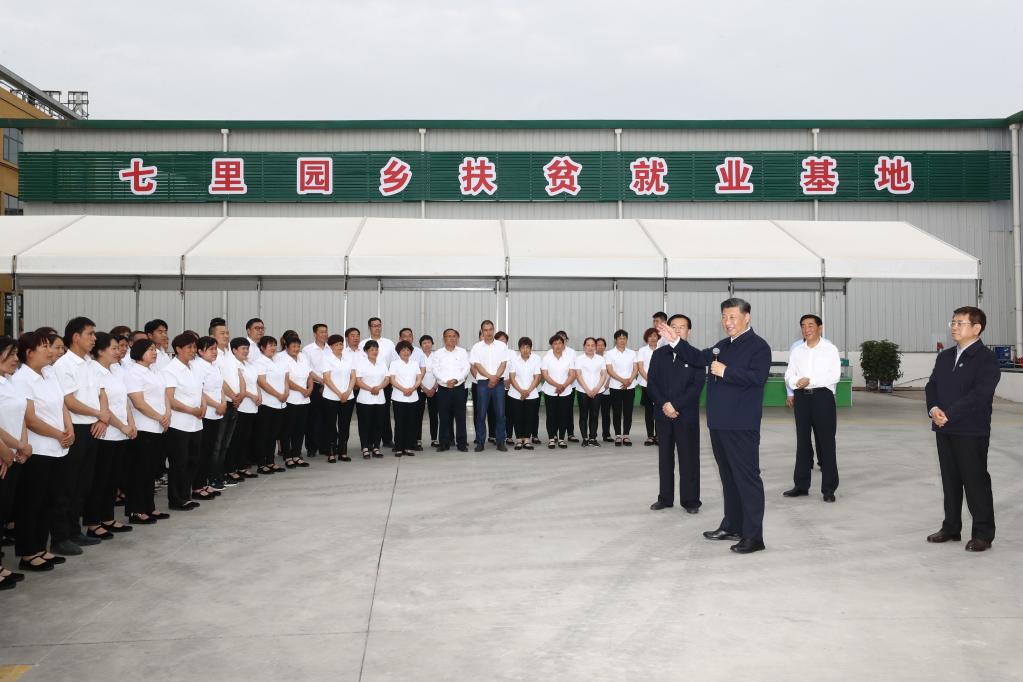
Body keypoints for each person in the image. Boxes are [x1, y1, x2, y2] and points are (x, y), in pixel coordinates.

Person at [661, 297, 771, 555]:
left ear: (747, 318)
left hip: (741, 425)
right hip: (720, 424)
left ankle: (754, 536)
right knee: (729, 478)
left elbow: (758, 378)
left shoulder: (759, 347)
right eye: (724, 317)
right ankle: (732, 524)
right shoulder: (723, 345)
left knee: (747, 480)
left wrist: (726, 371)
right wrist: (675, 341)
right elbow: (698, 357)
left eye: (732, 317)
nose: (727, 322)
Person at [924, 306, 1001, 552]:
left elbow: (980, 395)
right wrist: (934, 409)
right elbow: (932, 385)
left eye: (960, 323)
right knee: (950, 480)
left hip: (971, 430)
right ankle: (951, 527)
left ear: (977, 328)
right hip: (944, 428)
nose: (954, 327)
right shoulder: (945, 356)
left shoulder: (986, 359)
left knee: (975, 481)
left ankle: (983, 533)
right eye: (953, 323)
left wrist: (950, 414)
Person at [13, 331, 74, 571]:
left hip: (59, 448)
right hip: (38, 450)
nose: (51, 351)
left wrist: (69, 429)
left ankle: (41, 548)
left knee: (51, 500)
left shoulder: (49, 374)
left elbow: (62, 405)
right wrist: (59, 434)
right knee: (31, 503)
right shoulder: (22, 379)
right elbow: (29, 418)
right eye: (45, 347)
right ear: (29, 353)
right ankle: (28, 553)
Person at [51, 317, 106, 553]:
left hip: (93, 427)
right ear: (75, 337)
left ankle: (75, 531)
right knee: (67, 485)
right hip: (75, 428)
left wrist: (102, 415)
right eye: (90, 334)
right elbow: (69, 401)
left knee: (83, 484)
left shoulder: (91, 364)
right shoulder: (64, 365)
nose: (94, 338)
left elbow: (102, 392)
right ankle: (60, 537)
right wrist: (99, 414)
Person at [647, 315, 704, 513]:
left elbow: (696, 387)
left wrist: (675, 405)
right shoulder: (658, 354)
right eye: (674, 327)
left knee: (689, 458)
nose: (678, 330)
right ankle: (665, 498)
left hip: (686, 415)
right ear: (667, 329)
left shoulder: (696, 355)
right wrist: (664, 404)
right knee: (665, 458)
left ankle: (690, 501)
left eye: (682, 327)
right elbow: (652, 383)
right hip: (663, 415)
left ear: (689, 331)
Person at [783, 314, 842, 502]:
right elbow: (789, 374)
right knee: (802, 441)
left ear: (820, 328)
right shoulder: (797, 351)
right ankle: (801, 485)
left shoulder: (830, 349)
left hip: (822, 397)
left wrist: (811, 380)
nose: (806, 329)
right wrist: (795, 382)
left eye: (810, 325)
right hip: (802, 398)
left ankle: (829, 489)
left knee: (826, 442)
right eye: (803, 326)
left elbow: (835, 376)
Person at [84, 332, 136, 539]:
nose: (119, 352)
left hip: (121, 433)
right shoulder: (94, 371)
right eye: (114, 348)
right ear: (100, 351)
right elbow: (102, 405)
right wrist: (122, 426)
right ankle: (93, 521)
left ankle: (107, 518)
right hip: (106, 433)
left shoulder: (116, 370)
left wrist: (130, 424)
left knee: (113, 479)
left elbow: (124, 401)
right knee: (100, 480)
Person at [124, 339, 170, 525]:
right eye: (150, 349)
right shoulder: (133, 373)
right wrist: (160, 417)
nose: (155, 352)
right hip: (143, 427)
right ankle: (136, 510)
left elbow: (165, 395)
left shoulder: (154, 372)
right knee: (139, 471)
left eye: (155, 349)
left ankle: (149, 507)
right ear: (138, 352)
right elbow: (138, 403)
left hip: (158, 427)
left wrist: (166, 415)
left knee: (151, 470)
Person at [0, 337, 30, 587]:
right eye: (10, 354)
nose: (15, 359)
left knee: (4, 510)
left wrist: (21, 445)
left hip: (13, 454)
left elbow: (20, 415)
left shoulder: (9, 382)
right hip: (3, 455)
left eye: (16, 354)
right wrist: (6, 451)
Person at [164, 334, 206, 510]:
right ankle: (176, 499)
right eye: (188, 347)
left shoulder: (194, 367)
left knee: (193, 460)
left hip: (196, 423)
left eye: (194, 347)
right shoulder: (170, 369)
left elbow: (200, 390)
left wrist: (202, 407)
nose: (193, 350)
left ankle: (186, 495)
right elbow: (170, 399)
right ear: (178, 349)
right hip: (179, 424)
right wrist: (192, 410)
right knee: (178, 463)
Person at [192, 336, 227, 498]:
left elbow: (220, 386)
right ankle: (197, 486)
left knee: (210, 450)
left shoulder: (214, 366)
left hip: (217, 413)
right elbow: (201, 391)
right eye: (210, 349)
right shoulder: (197, 366)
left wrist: (223, 402)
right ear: (200, 351)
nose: (215, 352)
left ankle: (204, 482)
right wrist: (217, 405)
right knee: (202, 451)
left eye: (215, 348)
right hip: (206, 413)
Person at [208, 319, 239, 490]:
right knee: (217, 444)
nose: (226, 336)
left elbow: (235, 376)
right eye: (222, 333)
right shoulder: (214, 355)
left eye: (227, 333)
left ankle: (222, 473)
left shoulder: (228, 353)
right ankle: (213, 477)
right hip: (222, 403)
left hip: (233, 402)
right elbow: (220, 381)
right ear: (212, 335)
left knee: (226, 443)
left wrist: (236, 396)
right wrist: (233, 396)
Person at [470, 320, 508, 452]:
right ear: (482, 331)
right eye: (485, 330)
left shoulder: (502, 346)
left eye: (490, 329)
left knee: (500, 413)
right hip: (483, 383)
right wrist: (490, 377)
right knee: (481, 414)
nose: (488, 332)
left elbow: (503, 364)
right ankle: (480, 442)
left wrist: (495, 377)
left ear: (494, 330)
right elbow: (477, 365)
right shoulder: (476, 347)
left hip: (498, 383)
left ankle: (500, 442)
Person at [226, 338, 261, 481]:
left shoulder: (249, 364)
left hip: (252, 407)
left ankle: (242, 466)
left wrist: (258, 395)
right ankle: (231, 468)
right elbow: (240, 387)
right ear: (234, 350)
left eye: (247, 349)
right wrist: (252, 395)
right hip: (241, 406)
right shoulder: (232, 365)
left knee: (246, 439)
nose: (246, 351)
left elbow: (255, 382)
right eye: (243, 348)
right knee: (236, 439)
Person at [429, 329, 470, 453]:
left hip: (459, 388)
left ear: (457, 338)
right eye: (448, 336)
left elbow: (466, 368)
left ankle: (462, 443)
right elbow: (435, 370)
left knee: (461, 417)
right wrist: (446, 381)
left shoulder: (462, 352)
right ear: (444, 338)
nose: (451, 338)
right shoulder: (438, 353)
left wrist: (456, 380)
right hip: (443, 388)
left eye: (454, 336)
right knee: (444, 416)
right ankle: (444, 443)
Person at [253, 335, 288, 475]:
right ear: (262, 348)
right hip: (267, 404)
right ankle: (262, 463)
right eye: (269, 345)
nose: (273, 348)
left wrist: (285, 393)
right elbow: (262, 382)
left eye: (274, 345)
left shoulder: (278, 360)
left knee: (274, 434)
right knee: (264, 434)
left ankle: (271, 461)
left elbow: (286, 378)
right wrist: (278, 395)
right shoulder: (259, 362)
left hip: (280, 403)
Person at [360, 318, 396, 447]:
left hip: (384, 383)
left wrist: (387, 381)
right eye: (374, 326)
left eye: (379, 325)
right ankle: (369, 442)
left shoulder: (389, 343)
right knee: (368, 414)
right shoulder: (363, 343)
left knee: (384, 412)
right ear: (369, 327)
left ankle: (386, 439)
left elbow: (394, 363)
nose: (377, 328)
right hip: (366, 385)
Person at [279, 334, 313, 468]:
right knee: (288, 429)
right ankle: (287, 456)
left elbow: (309, 375)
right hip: (290, 399)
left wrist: (310, 388)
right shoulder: (281, 358)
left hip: (304, 399)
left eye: (298, 346)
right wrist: (301, 389)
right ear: (286, 346)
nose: (296, 348)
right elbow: (285, 379)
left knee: (300, 429)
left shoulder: (303, 357)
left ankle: (297, 454)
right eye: (293, 346)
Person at [321, 334, 356, 462]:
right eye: (336, 344)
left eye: (341, 344)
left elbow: (353, 376)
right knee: (330, 425)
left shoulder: (348, 358)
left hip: (348, 396)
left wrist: (348, 391)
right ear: (330, 347)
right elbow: (327, 379)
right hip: (331, 397)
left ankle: (343, 451)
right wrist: (338, 393)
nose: (339, 346)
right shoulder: (327, 358)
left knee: (344, 425)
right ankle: (331, 452)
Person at [355, 340, 390, 459]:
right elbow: (358, 380)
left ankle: (376, 447)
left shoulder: (382, 363)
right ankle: (365, 447)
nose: (374, 352)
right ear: (366, 351)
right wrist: (371, 389)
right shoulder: (361, 363)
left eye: (376, 349)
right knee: (365, 424)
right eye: (371, 350)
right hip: (365, 399)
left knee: (378, 424)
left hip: (380, 398)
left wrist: (379, 387)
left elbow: (387, 379)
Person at [389, 341, 424, 457]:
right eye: (403, 350)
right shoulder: (394, 364)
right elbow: (392, 380)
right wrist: (404, 389)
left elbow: (419, 378)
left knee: (411, 423)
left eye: (408, 350)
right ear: (399, 352)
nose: (406, 352)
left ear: (411, 352)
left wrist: (413, 388)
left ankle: (408, 447)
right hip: (399, 397)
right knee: (400, 423)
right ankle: (399, 447)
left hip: (413, 397)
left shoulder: (414, 364)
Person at [605, 330, 639, 447]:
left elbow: (636, 368)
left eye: (624, 338)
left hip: (630, 386)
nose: (622, 340)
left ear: (627, 339)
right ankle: (618, 435)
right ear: (615, 340)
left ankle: (626, 435)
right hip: (615, 386)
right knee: (617, 412)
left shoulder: (632, 353)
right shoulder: (609, 353)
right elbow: (610, 370)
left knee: (628, 412)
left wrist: (629, 380)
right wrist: (622, 380)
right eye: (620, 338)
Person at [507, 337, 542, 451]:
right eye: (523, 347)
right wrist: (521, 391)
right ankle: (518, 439)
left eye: (528, 347)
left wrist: (528, 391)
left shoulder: (536, 360)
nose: (525, 350)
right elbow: (512, 377)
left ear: (531, 348)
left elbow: (537, 377)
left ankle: (527, 439)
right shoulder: (514, 360)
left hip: (531, 393)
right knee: (517, 417)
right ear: (519, 349)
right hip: (515, 393)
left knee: (529, 416)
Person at [541, 334, 575, 449]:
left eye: (560, 343)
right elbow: (545, 375)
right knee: (551, 415)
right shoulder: (546, 358)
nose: (558, 346)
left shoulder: (569, 358)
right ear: (552, 346)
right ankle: (551, 438)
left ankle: (561, 439)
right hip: (550, 391)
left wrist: (563, 385)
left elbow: (572, 374)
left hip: (565, 391)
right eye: (555, 343)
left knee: (563, 415)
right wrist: (557, 385)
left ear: (563, 344)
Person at [303, 323, 331, 458]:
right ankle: (311, 447)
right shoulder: (307, 350)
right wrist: (321, 381)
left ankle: (325, 446)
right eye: (321, 332)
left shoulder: (330, 349)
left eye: (326, 332)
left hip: (330, 388)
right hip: (315, 386)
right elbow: (307, 369)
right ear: (315, 334)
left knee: (327, 418)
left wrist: (328, 383)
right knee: (313, 418)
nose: (324, 334)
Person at [574, 337, 607, 447]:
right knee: (584, 415)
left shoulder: (600, 359)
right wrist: (587, 390)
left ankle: (593, 438)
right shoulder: (579, 359)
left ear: (595, 347)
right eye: (588, 345)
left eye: (593, 345)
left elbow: (603, 374)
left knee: (594, 414)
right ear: (584, 346)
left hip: (597, 391)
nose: (590, 347)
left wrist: (597, 388)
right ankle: (585, 438)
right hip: (583, 391)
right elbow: (578, 375)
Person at [636, 328, 660, 447]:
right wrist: (650, 381)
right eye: (650, 336)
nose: (652, 338)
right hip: (647, 385)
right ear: (646, 338)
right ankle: (650, 436)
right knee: (649, 411)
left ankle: (659, 435)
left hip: (661, 386)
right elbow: (640, 368)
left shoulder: (663, 350)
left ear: (658, 337)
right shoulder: (642, 350)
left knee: (660, 410)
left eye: (655, 335)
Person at [555, 331, 580, 443]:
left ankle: (570, 434)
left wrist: (565, 384)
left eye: (563, 338)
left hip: (570, 386)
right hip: (555, 386)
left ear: (566, 340)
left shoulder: (572, 352)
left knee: (568, 410)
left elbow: (574, 370)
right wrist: (559, 385)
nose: (561, 340)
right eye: (559, 338)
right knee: (556, 411)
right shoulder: (552, 352)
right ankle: (555, 434)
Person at [418, 335, 439, 448]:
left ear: (432, 344)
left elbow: (439, 373)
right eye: (424, 343)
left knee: (434, 415)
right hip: (421, 389)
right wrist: (424, 388)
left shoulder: (436, 356)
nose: (427, 344)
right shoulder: (417, 356)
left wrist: (434, 388)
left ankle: (434, 439)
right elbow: (416, 375)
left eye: (429, 342)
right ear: (421, 345)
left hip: (434, 390)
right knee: (418, 415)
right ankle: (418, 439)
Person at [595, 337, 612, 443]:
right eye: (598, 345)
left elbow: (610, 371)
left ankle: (606, 434)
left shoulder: (608, 356)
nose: (600, 347)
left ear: (605, 346)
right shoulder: (593, 357)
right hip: (595, 390)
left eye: (602, 345)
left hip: (606, 389)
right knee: (594, 413)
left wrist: (607, 383)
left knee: (606, 413)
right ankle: (593, 434)